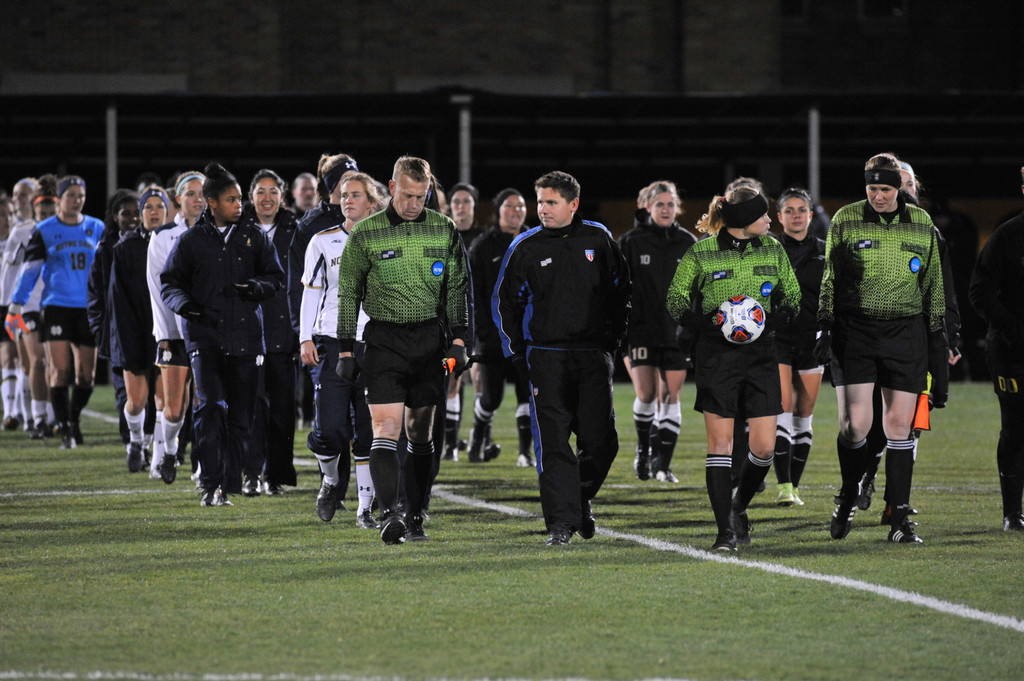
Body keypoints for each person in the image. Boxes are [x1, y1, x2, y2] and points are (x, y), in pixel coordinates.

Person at [335, 156, 470, 544]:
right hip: (384, 341)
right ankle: (391, 513)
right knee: (385, 428)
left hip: (429, 342)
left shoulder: (443, 229)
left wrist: (460, 341)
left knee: (420, 432)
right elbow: (348, 296)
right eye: (408, 195)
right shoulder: (366, 234)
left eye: (422, 196)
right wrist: (345, 350)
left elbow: (458, 288)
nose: (414, 203)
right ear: (392, 188)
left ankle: (415, 514)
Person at [493, 170, 630, 546]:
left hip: (592, 357)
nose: (543, 209)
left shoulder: (598, 239)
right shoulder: (526, 246)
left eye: (551, 202)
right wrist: (517, 352)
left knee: (602, 442)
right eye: (540, 202)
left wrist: (613, 340)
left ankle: (578, 498)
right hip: (545, 359)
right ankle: (560, 524)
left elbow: (622, 291)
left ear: (573, 204)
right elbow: (505, 303)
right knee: (553, 443)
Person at [815, 152, 946, 544]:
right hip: (856, 331)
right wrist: (823, 324)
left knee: (899, 427)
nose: (878, 196)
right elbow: (829, 278)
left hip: (905, 333)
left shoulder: (922, 223)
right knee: (855, 426)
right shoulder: (845, 219)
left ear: (899, 189)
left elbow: (933, 285)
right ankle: (847, 495)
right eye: (872, 189)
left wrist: (938, 341)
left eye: (885, 189)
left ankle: (900, 520)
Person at [666, 187, 800, 551]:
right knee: (720, 445)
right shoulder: (702, 253)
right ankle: (724, 531)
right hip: (716, 357)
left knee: (764, 447)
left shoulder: (773, 248)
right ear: (743, 220)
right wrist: (707, 324)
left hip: (761, 356)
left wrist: (780, 316)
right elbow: (675, 299)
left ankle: (738, 505)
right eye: (763, 215)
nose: (770, 221)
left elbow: (793, 294)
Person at [160, 162, 285, 507]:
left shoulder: (253, 237)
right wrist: (185, 305)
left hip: (246, 339)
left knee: (241, 419)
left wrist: (256, 287)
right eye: (231, 199)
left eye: (238, 199)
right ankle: (210, 483)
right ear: (211, 203)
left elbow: (276, 278)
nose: (239, 205)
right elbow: (170, 282)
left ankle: (225, 487)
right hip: (205, 338)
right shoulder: (190, 241)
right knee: (211, 406)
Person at [300, 172, 383, 527]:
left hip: (375, 341)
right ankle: (332, 481)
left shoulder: (386, 240)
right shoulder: (323, 240)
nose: (347, 200)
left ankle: (365, 507)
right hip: (332, 340)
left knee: (367, 429)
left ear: (371, 200)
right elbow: (311, 292)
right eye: (344, 195)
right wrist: (304, 337)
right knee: (330, 428)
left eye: (355, 195)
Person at [6, 175, 105, 449]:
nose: (77, 200)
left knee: (87, 376)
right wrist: (16, 304)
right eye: (71, 195)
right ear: (60, 198)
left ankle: (72, 419)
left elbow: (107, 269)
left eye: (81, 195)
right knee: (59, 371)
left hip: (88, 307)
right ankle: (65, 431)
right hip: (56, 307)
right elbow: (31, 271)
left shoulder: (97, 227)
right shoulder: (45, 230)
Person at [618, 180, 697, 484]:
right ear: (648, 207)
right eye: (660, 204)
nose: (666, 209)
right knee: (648, 394)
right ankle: (642, 449)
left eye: (670, 204)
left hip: (676, 332)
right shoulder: (631, 241)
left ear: (677, 207)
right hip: (640, 331)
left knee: (671, 395)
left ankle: (663, 465)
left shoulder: (688, 242)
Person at [969, 164, 1024, 532]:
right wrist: (1013, 330)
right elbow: (979, 292)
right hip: (1011, 350)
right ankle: (1012, 514)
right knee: (1017, 428)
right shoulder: (1008, 236)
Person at [288, 153, 358, 429]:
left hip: (366, 336)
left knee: (364, 421)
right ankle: (332, 474)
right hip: (326, 337)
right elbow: (300, 287)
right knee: (332, 422)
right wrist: (303, 334)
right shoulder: (311, 226)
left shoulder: (374, 220)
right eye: (344, 179)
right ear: (331, 186)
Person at [240, 169, 299, 497]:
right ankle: (250, 472)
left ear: (282, 196)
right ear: (251, 196)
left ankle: (275, 474)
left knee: (281, 411)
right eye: (260, 191)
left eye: (272, 191)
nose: (266, 197)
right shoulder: (239, 229)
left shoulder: (295, 228)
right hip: (249, 334)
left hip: (283, 333)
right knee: (251, 409)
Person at [465, 187, 533, 466]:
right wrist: (482, 332)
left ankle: (524, 453)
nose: (516, 211)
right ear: (497, 211)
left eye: (520, 206)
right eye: (510, 206)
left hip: (528, 334)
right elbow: (475, 295)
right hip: (494, 336)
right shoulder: (483, 246)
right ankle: (477, 434)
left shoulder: (536, 241)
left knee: (528, 393)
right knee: (491, 399)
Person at [147, 171, 206, 484]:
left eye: (202, 193)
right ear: (178, 199)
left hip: (207, 331)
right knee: (173, 408)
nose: (197, 199)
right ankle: (169, 449)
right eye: (191, 194)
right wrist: (165, 335)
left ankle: (202, 466)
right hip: (175, 333)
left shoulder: (219, 233)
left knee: (205, 402)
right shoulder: (163, 236)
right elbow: (158, 292)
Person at [771, 187, 827, 507]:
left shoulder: (825, 251)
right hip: (778, 340)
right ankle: (784, 486)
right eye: (789, 210)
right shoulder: (770, 250)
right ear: (779, 217)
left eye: (800, 210)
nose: (795, 215)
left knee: (804, 416)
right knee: (783, 409)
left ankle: (795, 483)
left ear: (810, 215)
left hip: (812, 340)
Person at [111, 187, 167, 473]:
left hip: (165, 332)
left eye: (159, 206)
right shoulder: (124, 248)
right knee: (136, 401)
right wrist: (127, 340)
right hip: (133, 331)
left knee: (164, 401)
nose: (154, 212)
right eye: (148, 207)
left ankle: (158, 460)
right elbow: (118, 300)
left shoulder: (175, 242)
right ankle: (136, 441)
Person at [86, 189, 140, 450]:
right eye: (125, 213)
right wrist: (100, 329)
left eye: (137, 213)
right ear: (115, 217)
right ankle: (130, 441)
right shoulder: (105, 248)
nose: (133, 218)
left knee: (150, 392)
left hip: (145, 330)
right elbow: (95, 293)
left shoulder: (151, 243)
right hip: (118, 330)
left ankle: (148, 441)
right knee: (123, 390)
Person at [3, 177, 52, 437]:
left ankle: (56, 418)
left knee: (59, 366)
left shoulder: (66, 230)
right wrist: (9, 307)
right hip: (29, 305)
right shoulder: (22, 232)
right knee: (35, 362)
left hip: (59, 303)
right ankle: (36, 418)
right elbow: (10, 274)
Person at [440, 182, 484, 461]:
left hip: (478, 319)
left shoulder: (482, 238)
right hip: (449, 320)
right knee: (452, 380)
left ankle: (481, 437)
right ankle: (451, 443)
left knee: (480, 381)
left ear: (474, 206)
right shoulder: (443, 234)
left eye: (466, 201)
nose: (461, 206)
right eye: (456, 201)